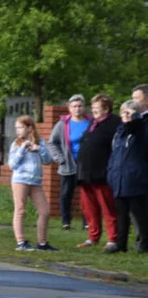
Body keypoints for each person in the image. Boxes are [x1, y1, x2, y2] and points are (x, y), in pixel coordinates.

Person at [76, 93, 121, 250]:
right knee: (89, 208)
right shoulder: (93, 123)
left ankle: (112, 240)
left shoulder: (115, 123)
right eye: (93, 107)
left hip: (102, 172)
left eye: (97, 107)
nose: (93, 110)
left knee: (107, 207)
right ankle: (92, 237)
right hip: (85, 172)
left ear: (106, 108)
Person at [8, 115, 56, 251]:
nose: (17, 130)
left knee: (45, 211)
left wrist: (38, 148)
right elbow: (12, 164)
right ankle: (21, 242)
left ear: (29, 128)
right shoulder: (16, 144)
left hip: (35, 182)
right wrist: (22, 149)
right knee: (20, 210)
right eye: (16, 128)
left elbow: (47, 161)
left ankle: (42, 243)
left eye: (20, 127)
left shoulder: (40, 142)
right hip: (20, 180)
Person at [106, 100, 148, 254]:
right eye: (124, 112)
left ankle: (144, 243)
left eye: (129, 112)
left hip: (135, 177)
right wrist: (111, 172)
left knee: (139, 213)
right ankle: (120, 244)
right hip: (119, 177)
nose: (125, 115)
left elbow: (136, 131)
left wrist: (134, 118)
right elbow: (114, 154)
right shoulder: (119, 133)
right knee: (121, 213)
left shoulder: (141, 129)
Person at [46, 94, 90, 231]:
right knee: (66, 193)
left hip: (87, 164)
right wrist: (61, 159)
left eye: (80, 106)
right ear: (69, 108)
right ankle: (66, 222)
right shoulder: (63, 124)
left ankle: (87, 222)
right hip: (68, 164)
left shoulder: (91, 122)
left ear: (84, 107)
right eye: (74, 106)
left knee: (87, 194)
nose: (77, 109)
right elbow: (52, 143)